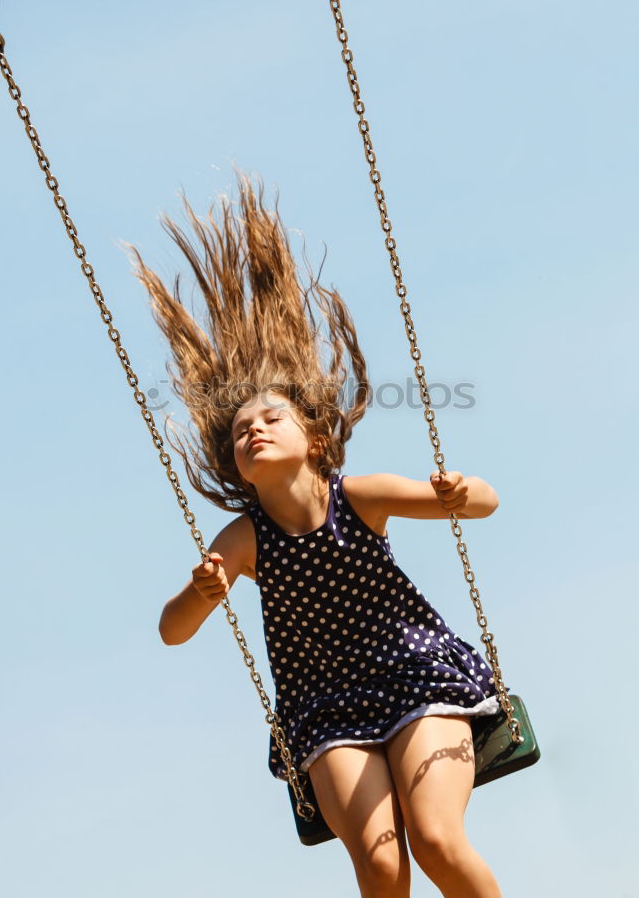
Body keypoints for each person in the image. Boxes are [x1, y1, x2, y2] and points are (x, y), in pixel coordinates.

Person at [128, 175, 503, 898]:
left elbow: (483, 505)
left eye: (270, 419)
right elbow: (173, 631)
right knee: (381, 863)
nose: (254, 430)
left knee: (433, 839)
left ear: (315, 437)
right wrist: (201, 591)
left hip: (417, 677)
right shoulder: (246, 538)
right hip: (326, 709)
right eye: (241, 431)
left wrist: (461, 491)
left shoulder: (357, 499)